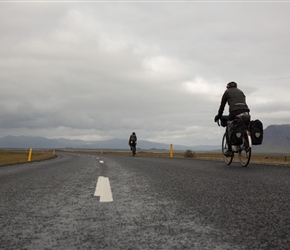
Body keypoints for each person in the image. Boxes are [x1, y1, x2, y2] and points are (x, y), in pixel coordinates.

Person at [214, 81, 250, 157]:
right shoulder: (241, 92)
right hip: (246, 111)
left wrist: (218, 116)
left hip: (234, 112)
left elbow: (222, 106)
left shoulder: (227, 92)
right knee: (245, 125)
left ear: (228, 87)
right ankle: (246, 144)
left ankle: (230, 150)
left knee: (229, 127)